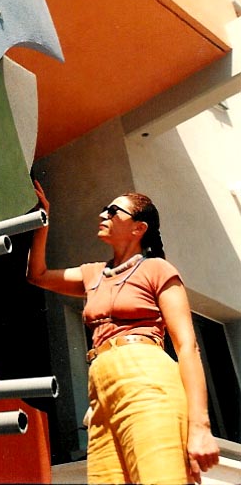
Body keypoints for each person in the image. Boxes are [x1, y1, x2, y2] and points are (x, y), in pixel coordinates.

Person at [26, 183, 220, 485]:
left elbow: (187, 346)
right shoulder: (93, 274)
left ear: (138, 228)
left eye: (113, 211)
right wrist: (43, 219)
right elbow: (37, 275)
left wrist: (200, 427)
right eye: (104, 209)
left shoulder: (157, 269)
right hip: (100, 391)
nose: (103, 214)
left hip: (147, 379)